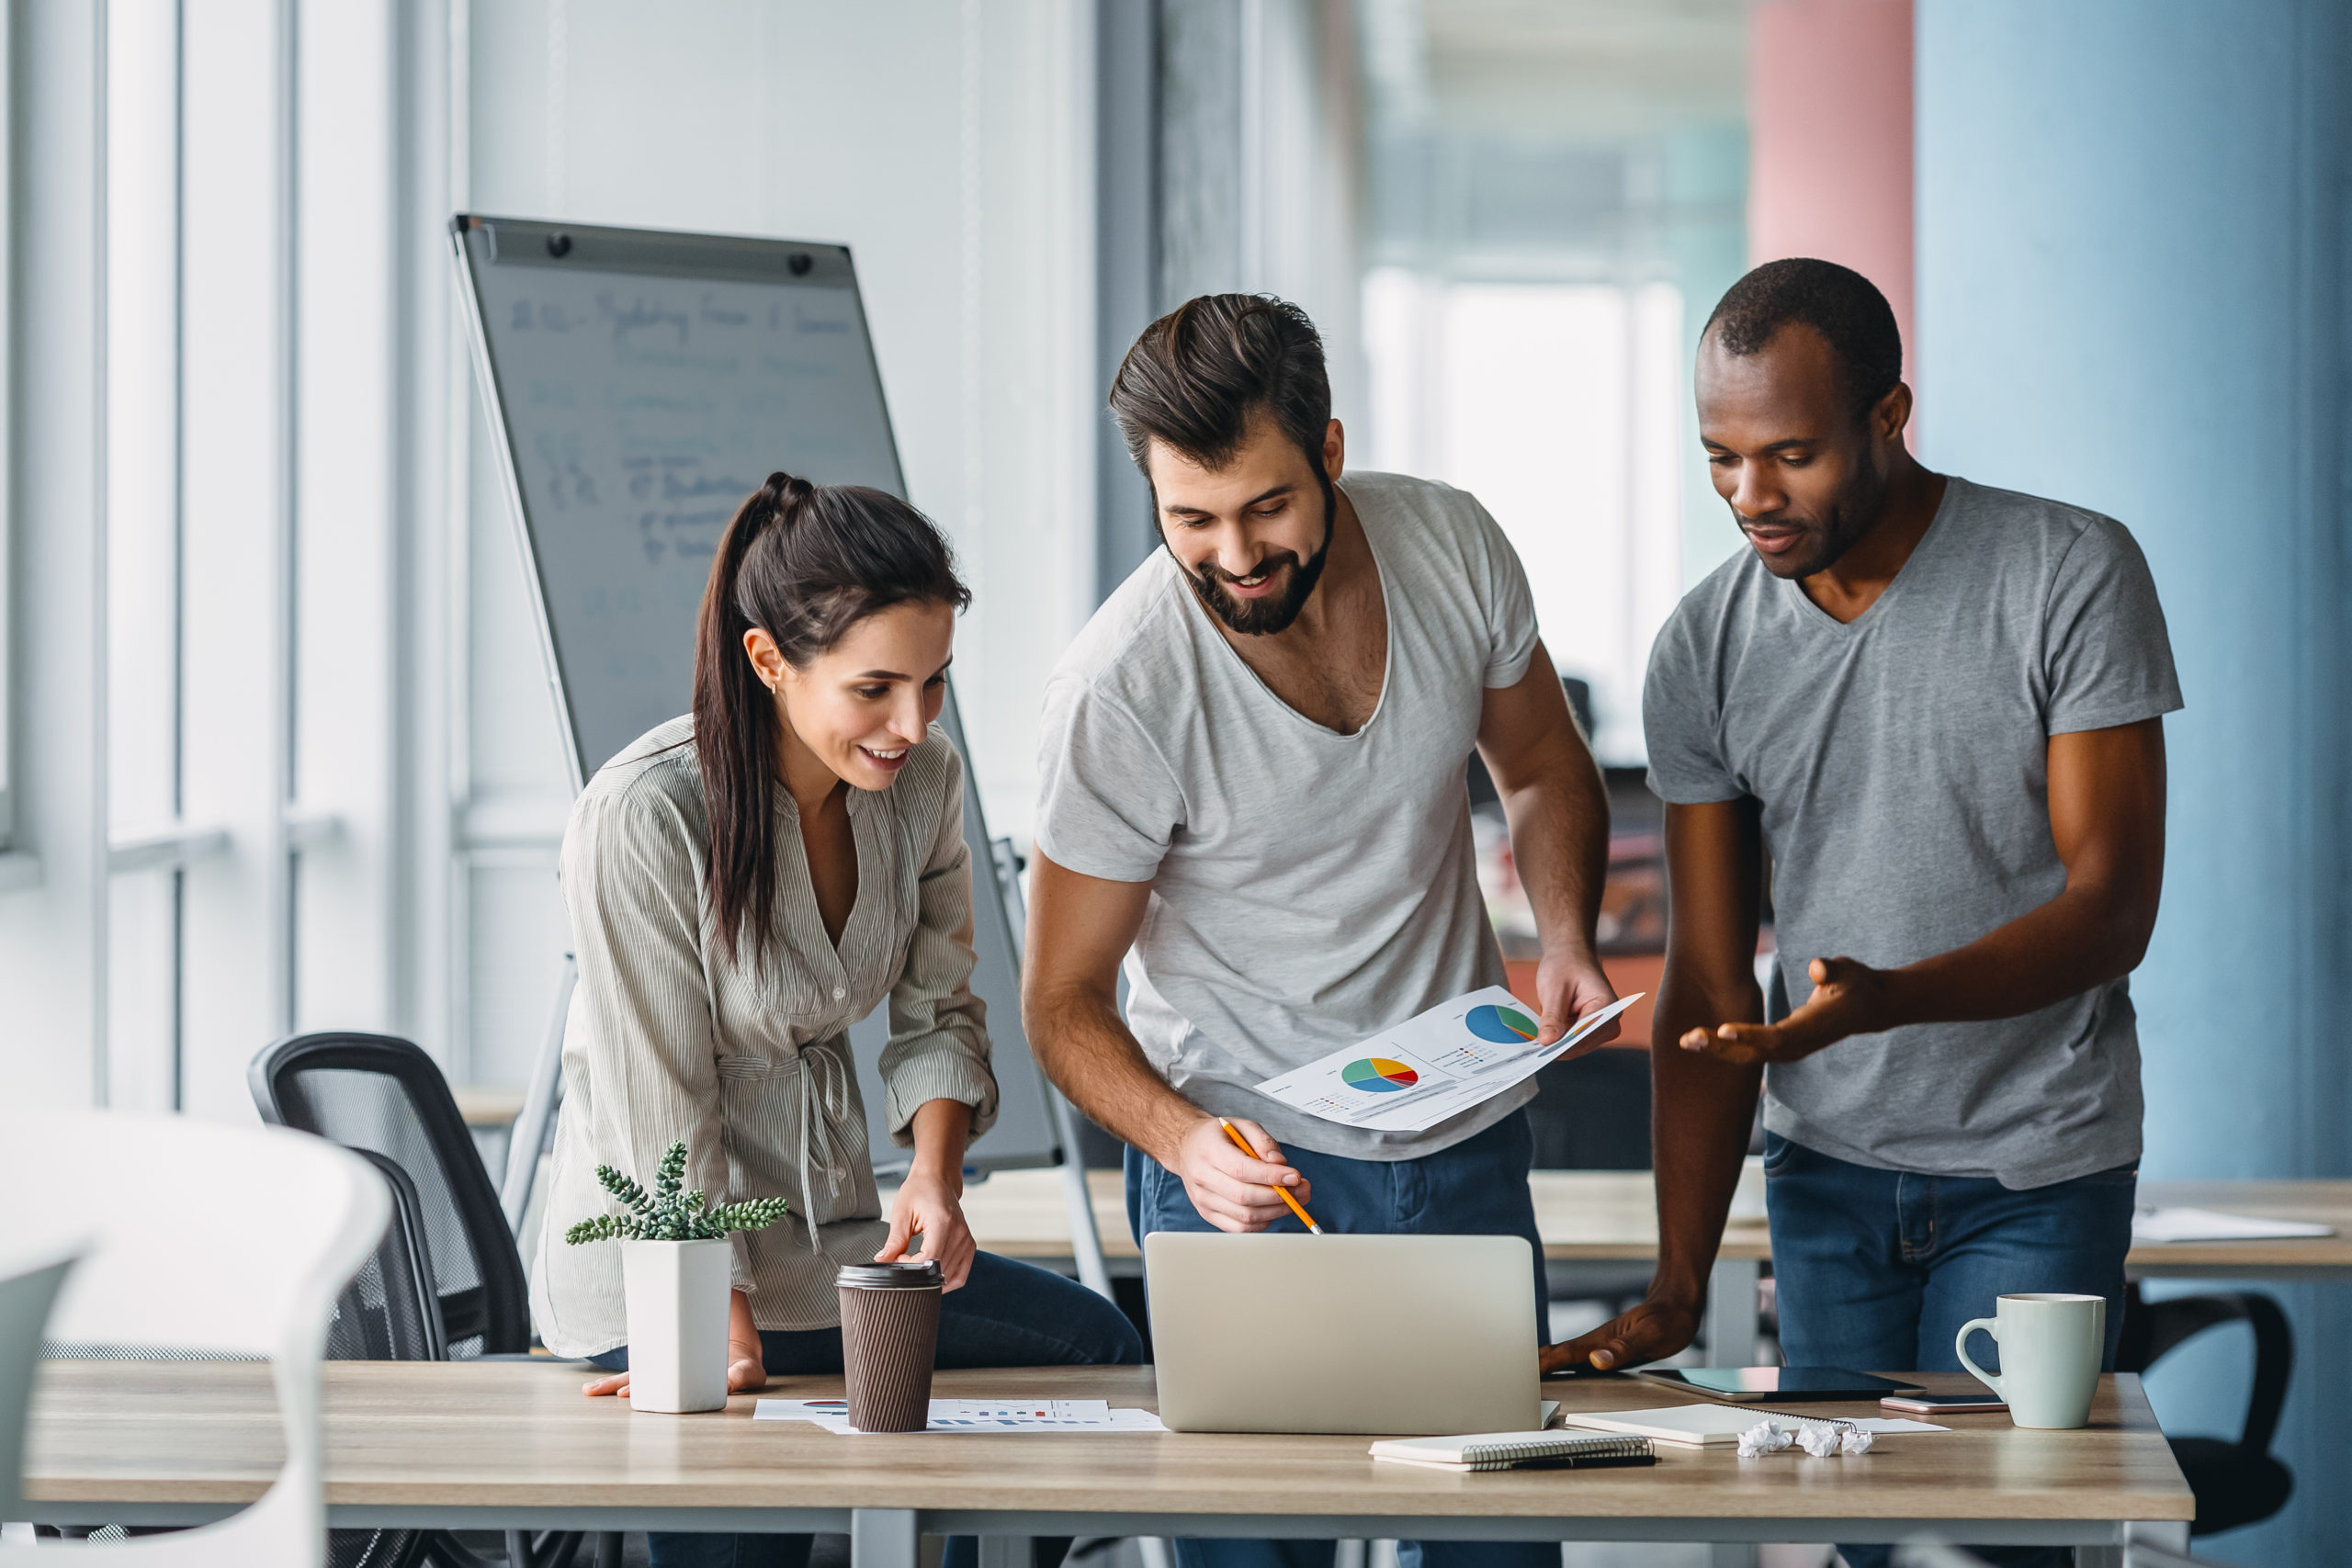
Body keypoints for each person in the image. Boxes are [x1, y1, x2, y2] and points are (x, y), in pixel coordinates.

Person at [1551, 260, 2177, 1568]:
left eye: (1791, 455)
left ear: (1889, 416)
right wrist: (1677, 1279)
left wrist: (1889, 998)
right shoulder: (1705, 646)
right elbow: (1709, 984)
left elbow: (2112, 907)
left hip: (2033, 1167)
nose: (1751, 496)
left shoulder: (2066, 569)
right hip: (1826, 1177)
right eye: (1720, 458)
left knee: (1999, 1546)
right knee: (1866, 1543)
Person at [1023, 295, 1617, 1568]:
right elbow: (1061, 1001)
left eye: (1267, 506)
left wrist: (1565, 935)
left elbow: (1540, 765)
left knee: (1498, 1549)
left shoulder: (1448, 542)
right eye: (1191, 518)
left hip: (1462, 1139)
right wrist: (1182, 1139)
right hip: (1244, 1170)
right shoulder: (1118, 687)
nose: (1235, 553)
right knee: (1256, 1546)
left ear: (1331, 450)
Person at [534, 472, 1142, 1568]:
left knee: (1093, 1346)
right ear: (769, 661)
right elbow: (657, 1104)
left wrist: (934, 1180)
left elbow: (938, 1010)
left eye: (934, 682)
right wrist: (710, 1321)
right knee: (746, 1515)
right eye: (875, 689)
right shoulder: (643, 814)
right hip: (664, 1267)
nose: (912, 723)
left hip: (830, 1248)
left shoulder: (923, 781)